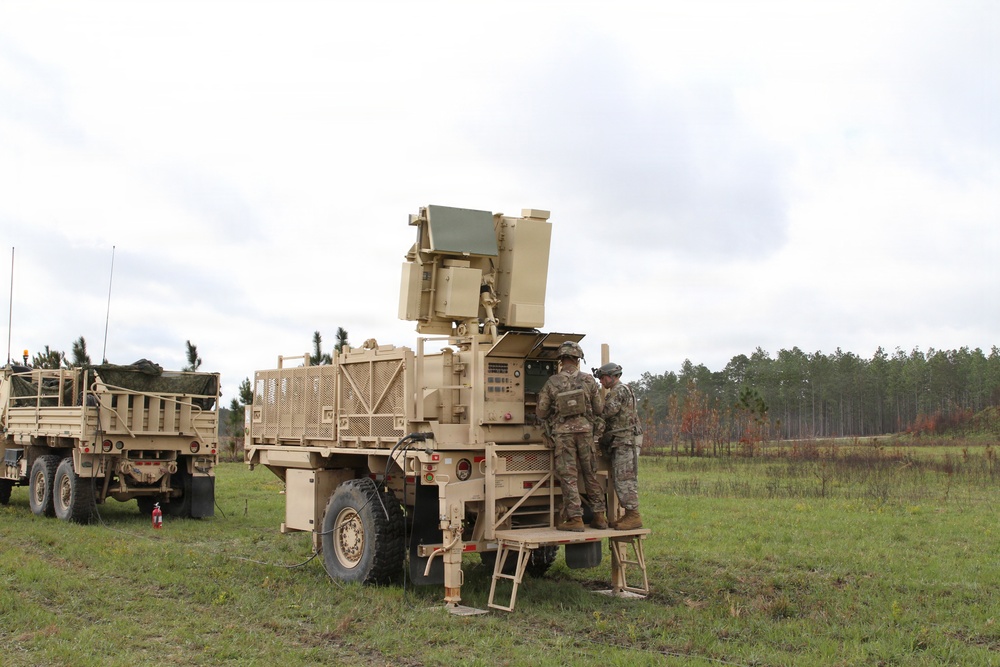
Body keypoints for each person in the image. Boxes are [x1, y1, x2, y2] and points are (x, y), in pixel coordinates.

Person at [536, 341, 608, 531]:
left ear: (561, 360)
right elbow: (599, 409)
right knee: (590, 474)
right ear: (578, 360)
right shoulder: (589, 380)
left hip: (563, 435)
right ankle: (599, 517)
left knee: (569, 476)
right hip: (585, 433)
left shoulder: (552, 382)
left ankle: (575, 519)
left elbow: (542, 412)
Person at [595, 362, 642, 530]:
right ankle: (629, 515)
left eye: (602, 378)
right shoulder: (623, 390)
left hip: (624, 440)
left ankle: (633, 515)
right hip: (622, 440)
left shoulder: (618, 391)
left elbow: (607, 412)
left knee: (625, 479)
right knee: (621, 477)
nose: (601, 381)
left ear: (612, 376)